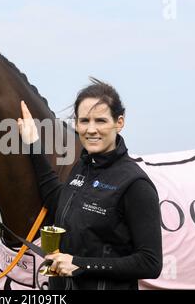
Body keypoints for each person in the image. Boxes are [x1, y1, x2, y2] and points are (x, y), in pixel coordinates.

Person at [17, 77, 163, 290]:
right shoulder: (82, 167)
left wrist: (79, 264)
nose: (91, 129)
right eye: (84, 121)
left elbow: (150, 263)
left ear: (119, 122)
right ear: (76, 124)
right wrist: (32, 144)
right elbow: (58, 201)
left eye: (101, 121)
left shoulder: (135, 184)